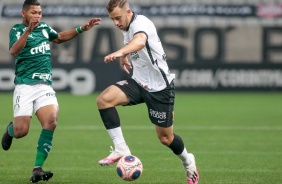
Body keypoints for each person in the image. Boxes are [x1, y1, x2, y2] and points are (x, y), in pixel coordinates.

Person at [96, 0, 199, 184]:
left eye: (118, 18)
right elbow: (131, 41)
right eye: (112, 19)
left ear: (128, 12)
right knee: (104, 100)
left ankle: (188, 161)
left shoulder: (141, 23)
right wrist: (124, 57)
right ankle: (121, 148)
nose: (116, 23)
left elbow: (140, 41)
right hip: (138, 82)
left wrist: (120, 53)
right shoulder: (125, 26)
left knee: (166, 138)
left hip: (160, 88)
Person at [1, 0, 101, 183]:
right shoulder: (16, 30)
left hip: (44, 86)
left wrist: (82, 29)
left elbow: (60, 37)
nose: (37, 16)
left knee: (51, 121)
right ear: (24, 14)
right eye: (33, 12)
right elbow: (14, 51)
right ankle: (10, 130)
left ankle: (37, 168)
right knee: (21, 131)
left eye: (39, 12)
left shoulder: (45, 28)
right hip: (25, 85)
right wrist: (28, 31)